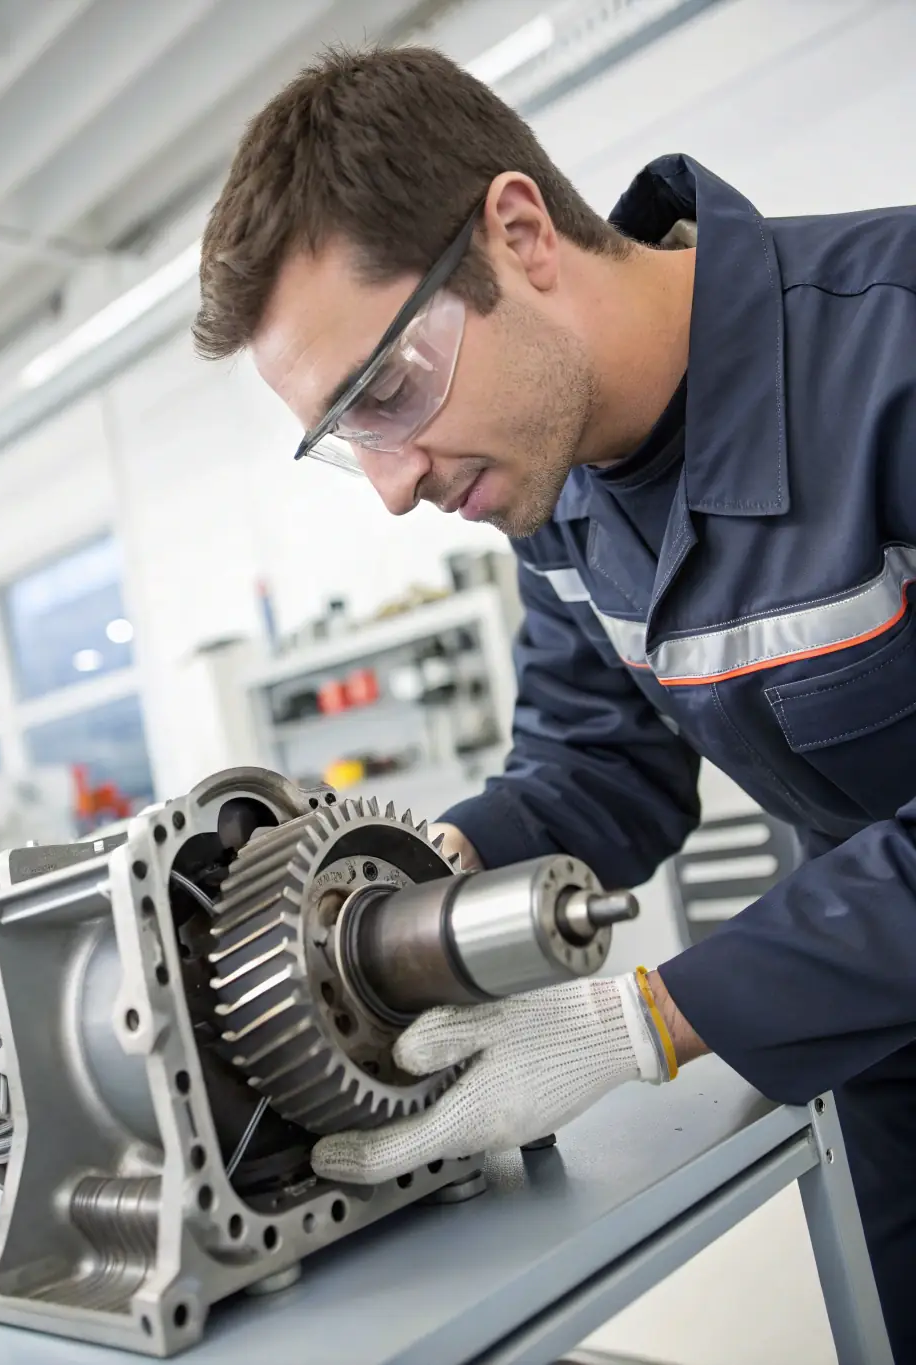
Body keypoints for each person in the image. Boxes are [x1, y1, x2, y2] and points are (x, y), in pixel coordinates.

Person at [194, 45, 916, 1356]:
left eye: (391, 392)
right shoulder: (562, 488)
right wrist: (390, 901)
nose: (395, 485)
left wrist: (647, 1018)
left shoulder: (895, 344)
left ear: (519, 234)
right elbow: (599, 767)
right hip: (883, 1023)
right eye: (348, 440)